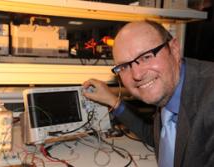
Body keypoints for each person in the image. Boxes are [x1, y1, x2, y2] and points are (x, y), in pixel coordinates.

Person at [82, 20, 214, 167]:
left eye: (146, 57)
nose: (137, 75)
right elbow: (160, 138)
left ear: (174, 49)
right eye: (124, 66)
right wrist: (114, 101)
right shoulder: (170, 93)